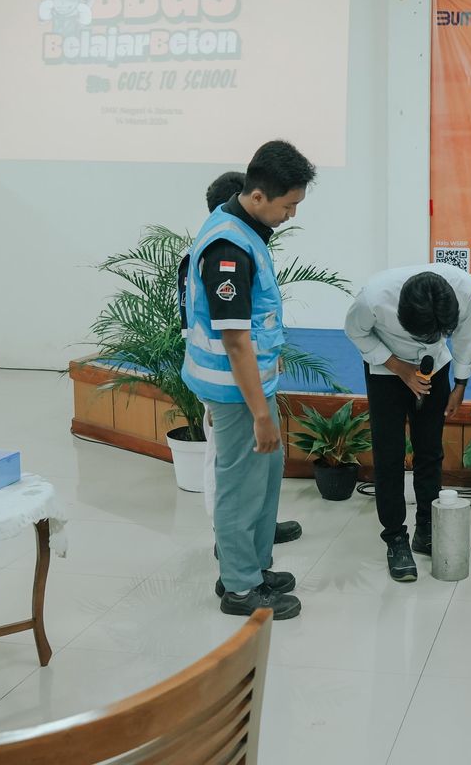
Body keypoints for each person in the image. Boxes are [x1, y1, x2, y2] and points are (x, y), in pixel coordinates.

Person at [181, 140, 316, 620]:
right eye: (288, 205)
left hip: (253, 385)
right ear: (258, 196)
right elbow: (235, 340)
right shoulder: (228, 249)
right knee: (240, 485)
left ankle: (253, 568)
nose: (290, 215)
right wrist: (261, 414)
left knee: (263, 478)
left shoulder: (243, 227)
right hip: (234, 391)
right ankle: (239, 587)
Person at [345, 264, 471, 581]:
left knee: (430, 449)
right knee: (389, 454)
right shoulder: (374, 298)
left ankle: (427, 528)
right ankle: (395, 538)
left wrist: (460, 385)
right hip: (386, 370)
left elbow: (465, 337)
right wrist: (400, 368)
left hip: (435, 366)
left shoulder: (464, 289)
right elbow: (355, 331)